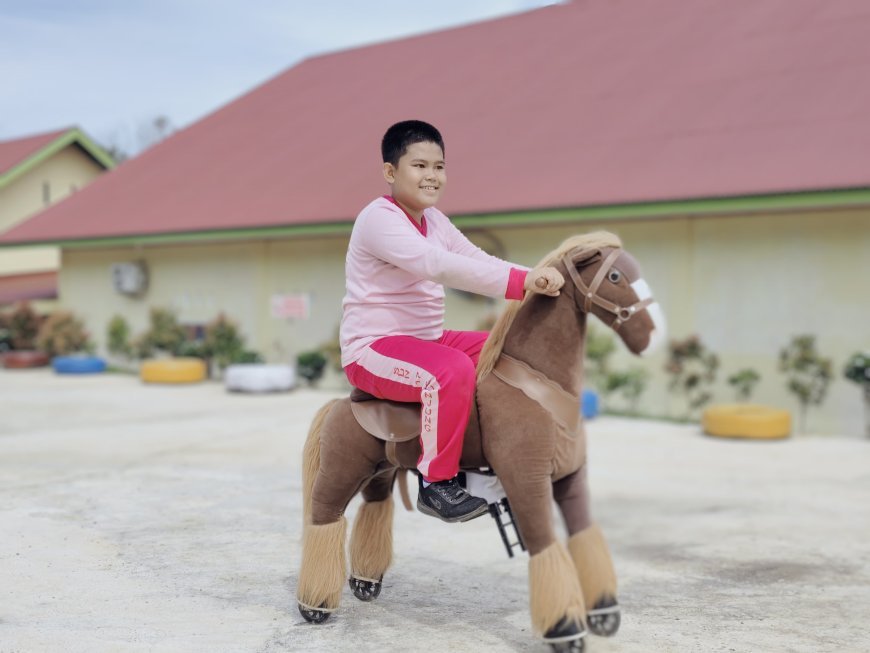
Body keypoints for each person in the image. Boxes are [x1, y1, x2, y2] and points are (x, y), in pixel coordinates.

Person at [340, 120, 564, 522]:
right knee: (451, 370)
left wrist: (533, 276)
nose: (432, 176)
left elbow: (475, 257)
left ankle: (490, 460)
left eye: (439, 166)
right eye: (419, 166)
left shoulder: (436, 220)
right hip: (374, 347)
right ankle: (436, 482)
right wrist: (521, 282)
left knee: (508, 349)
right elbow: (437, 264)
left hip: (427, 340)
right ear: (390, 172)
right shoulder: (378, 219)